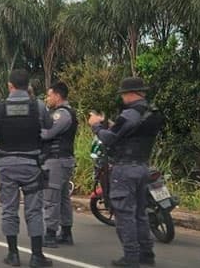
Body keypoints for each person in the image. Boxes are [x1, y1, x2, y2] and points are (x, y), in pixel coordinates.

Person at [0, 69, 53, 267]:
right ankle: (37, 256)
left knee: (9, 210)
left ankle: (13, 255)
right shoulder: (38, 106)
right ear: (28, 85)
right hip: (32, 166)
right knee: (34, 211)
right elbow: (49, 127)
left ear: (9, 86)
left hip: (6, 167)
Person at [89, 77, 164, 267]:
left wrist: (96, 126)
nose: (122, 98)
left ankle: (131, 258)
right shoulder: (151, 111)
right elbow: (129, 133)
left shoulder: (130, 113)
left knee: (125, 216)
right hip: (142, 167)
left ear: (130, 94)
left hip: (125, 169)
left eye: (123, 94)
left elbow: (109, 139)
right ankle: (147, 255)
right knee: (140, 213)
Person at [41, 81, 79, 248]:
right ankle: (66, 232)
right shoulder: (62, 112)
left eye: (49, 95)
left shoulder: (61, 114)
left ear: (57, 95)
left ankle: (50, 234)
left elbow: (47, 133)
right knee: (63, 198)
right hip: (61, 160)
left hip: (57, 160)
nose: (47, 98)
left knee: (51, 198)